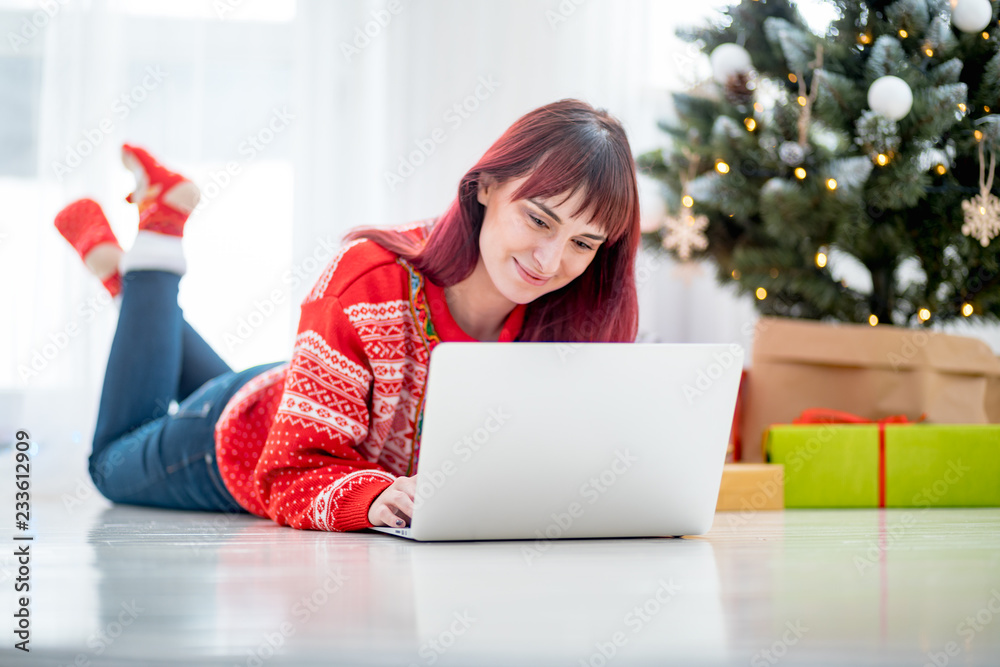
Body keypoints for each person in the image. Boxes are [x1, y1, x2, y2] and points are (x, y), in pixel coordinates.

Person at [54, 98, 641, 533]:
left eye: (583, 243)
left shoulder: (568, 320)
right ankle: (157, 241)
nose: (551, 259)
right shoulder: (368, 279)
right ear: (487, 186)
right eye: (538, 219)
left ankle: (123, 278)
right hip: (237, 439)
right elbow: (288, 469)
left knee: (205, 381)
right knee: (110, 462)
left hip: (307, 388)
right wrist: (372, 496)